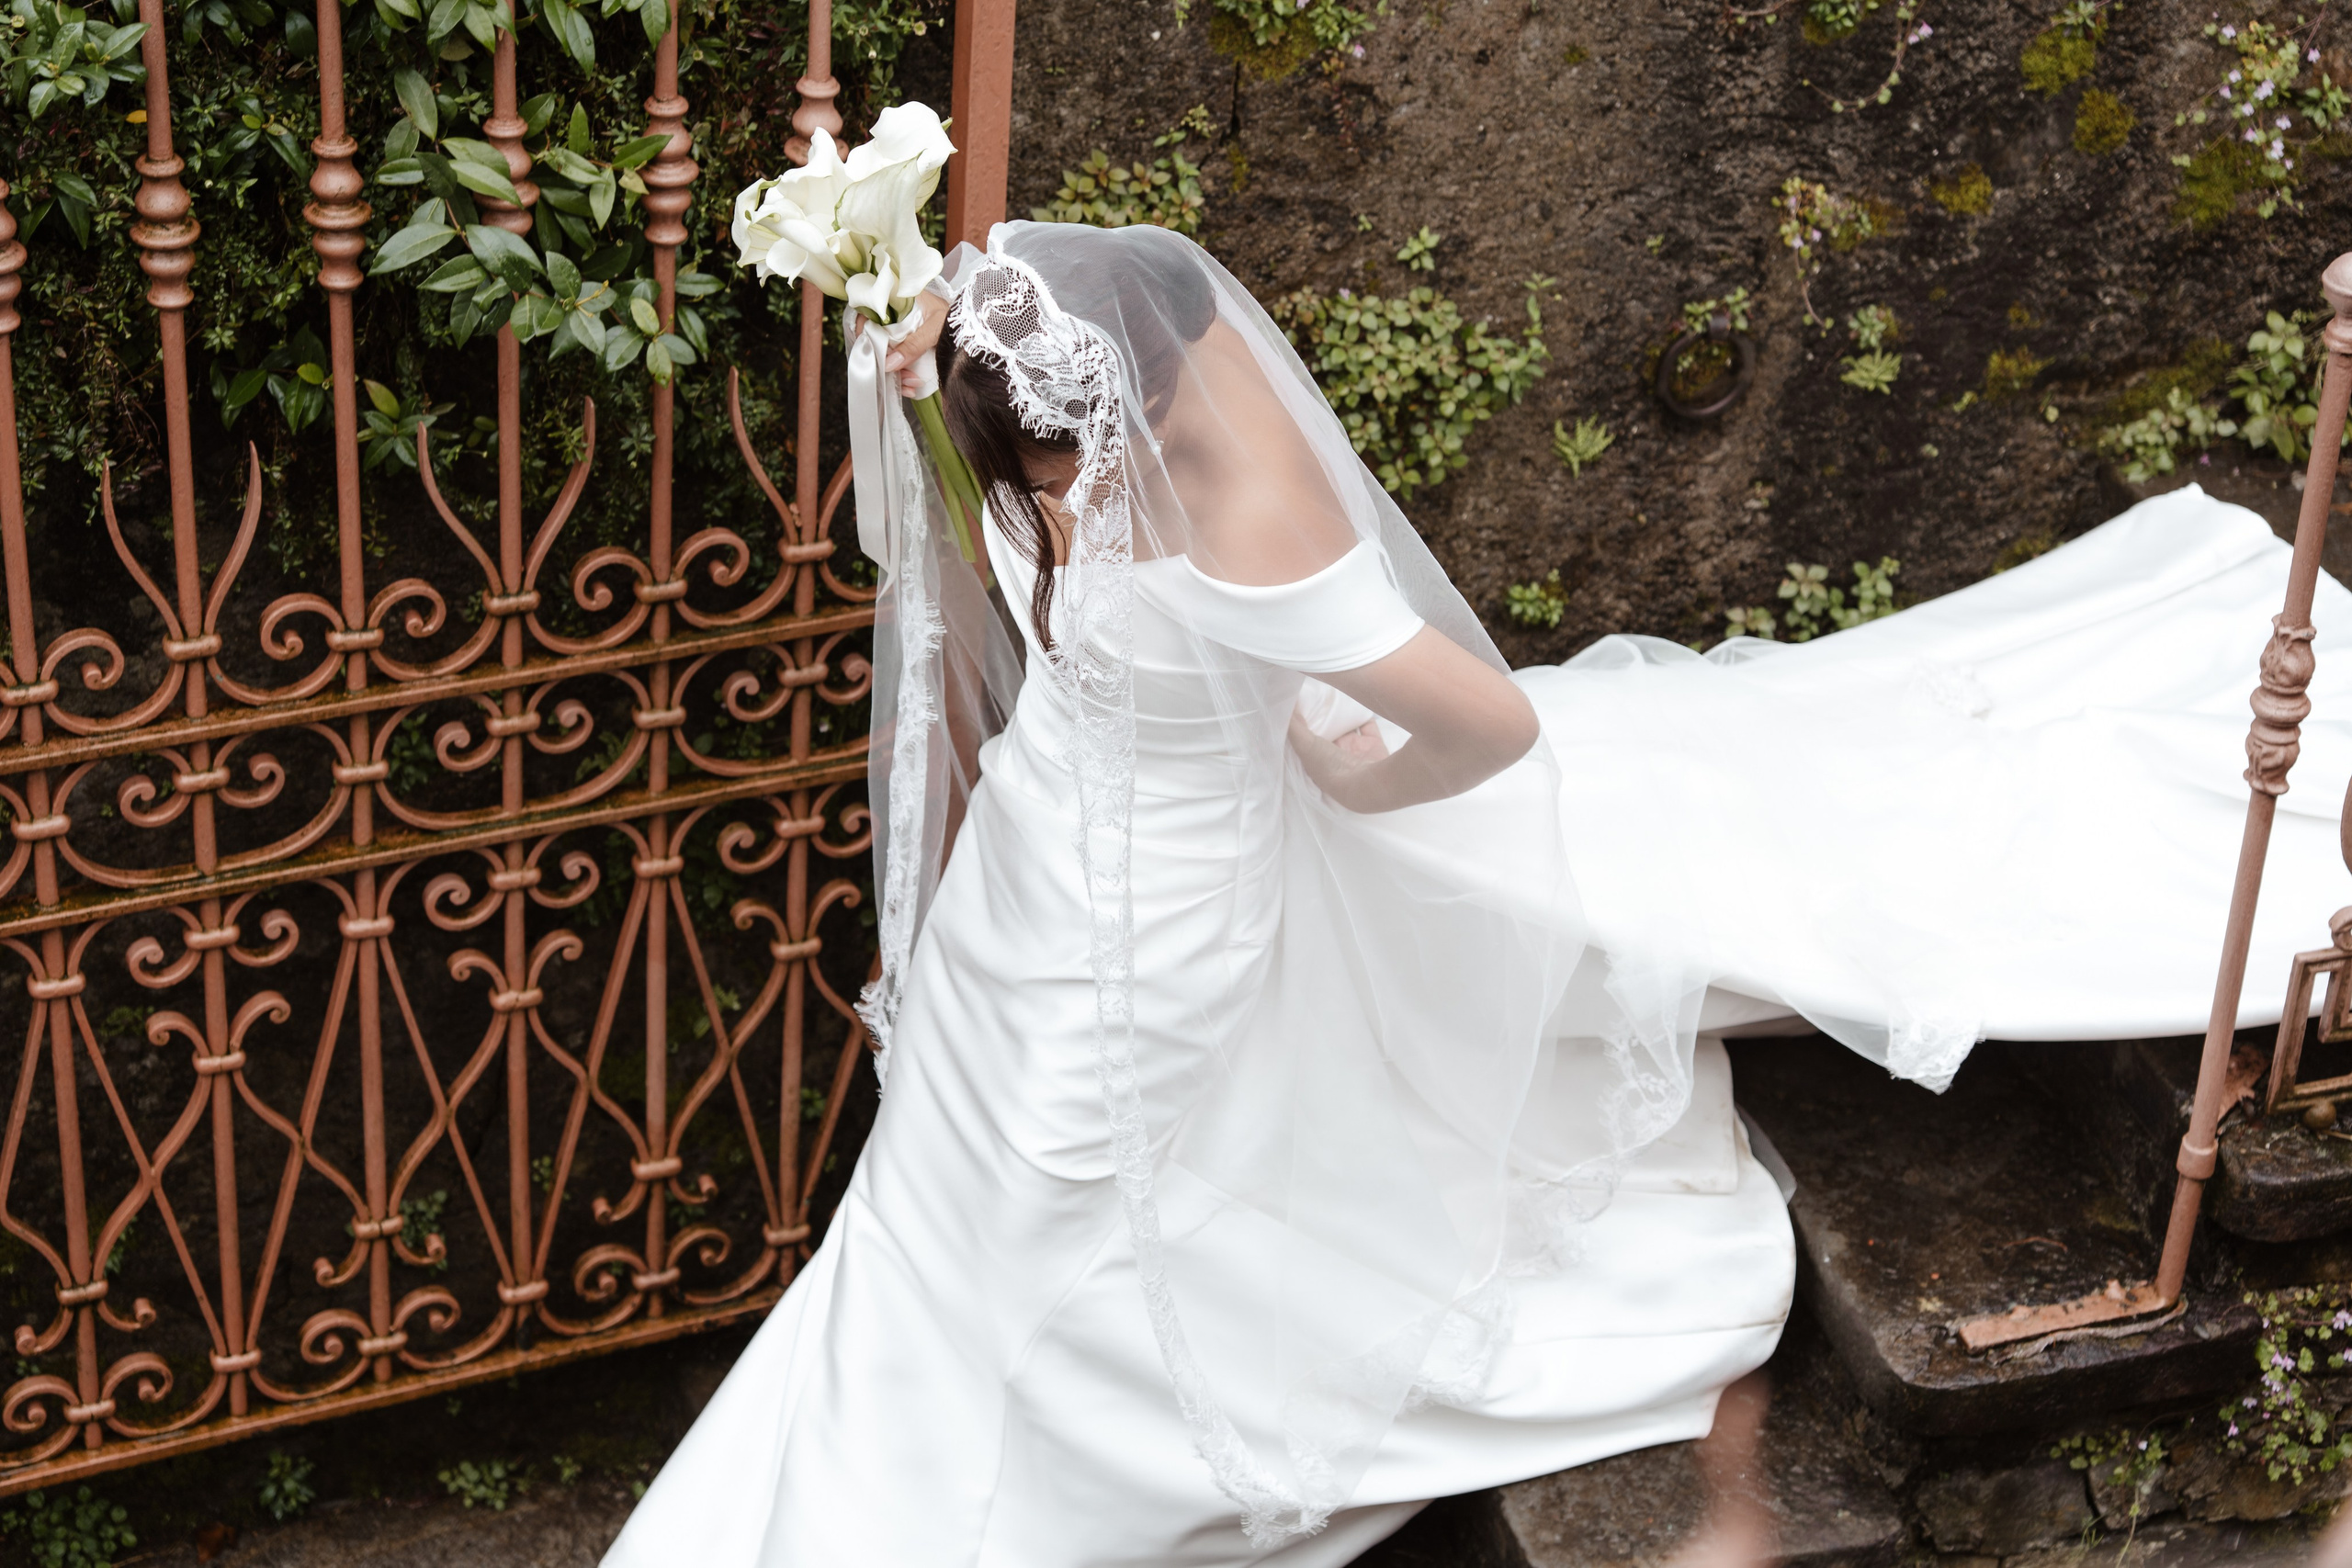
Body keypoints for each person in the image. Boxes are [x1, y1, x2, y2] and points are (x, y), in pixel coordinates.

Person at [603, 222, 2352, 1564]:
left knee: (1078, 1177)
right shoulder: (1033, 401)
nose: (1045, 509)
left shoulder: (1247, 535)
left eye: (1058, 470)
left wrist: (1354, 776)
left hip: (1179, 899)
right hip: (1042, 875)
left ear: (1126, 413)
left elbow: (1494, 727)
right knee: (960, 1184)